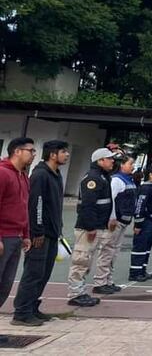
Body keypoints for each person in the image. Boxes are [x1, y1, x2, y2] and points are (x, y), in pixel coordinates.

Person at [13, 140, 67, 326]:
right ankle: (21, 312)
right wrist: (37, 231)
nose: (66, 155)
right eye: (63, 151)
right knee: (33, 272)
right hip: (40, 234)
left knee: (44, 273)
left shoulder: (56, 175)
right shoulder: (40, 175)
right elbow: (36, 204)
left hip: (52, 233)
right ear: (53, 154)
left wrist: (58, 228)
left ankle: (33, 307)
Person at [66, 147, 116, 306]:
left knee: (86, 260)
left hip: (97, 225)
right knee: (81, 259)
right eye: (110, 158)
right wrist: (91, 227)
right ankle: (75, 293)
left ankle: (80, 291)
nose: (112, 161)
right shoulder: (93, 178)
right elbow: (88, 205)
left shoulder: (103, 177)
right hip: (88, 228)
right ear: (100, 161)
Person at [1, 137, 36, 339]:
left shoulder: (23, 176)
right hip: (3, 236)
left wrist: (25, 234)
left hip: (15, 237)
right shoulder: (3, 173)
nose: (33, 154)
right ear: (17, 151)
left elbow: (23, 208)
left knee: (5, 285)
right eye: (30, 150)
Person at [93, 154, 137, 294]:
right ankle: (100, 282)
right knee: (107, 251)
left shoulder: (128, 180)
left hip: (123, 221)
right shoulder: (117, 180)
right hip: (115, 221)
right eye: (131, 164)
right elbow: (110, 200)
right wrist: (111, 218)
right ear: (122, 165)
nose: (133, 167)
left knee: (114, 252)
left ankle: (108, 280)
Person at [129, 164, 152, 281]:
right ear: (150, 175)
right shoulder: (146, 188)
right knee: (140, 246)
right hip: (145, 221)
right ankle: (135, 272)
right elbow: (139, 206)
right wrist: (138, 223)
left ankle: (142, 270)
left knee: (147, 247)